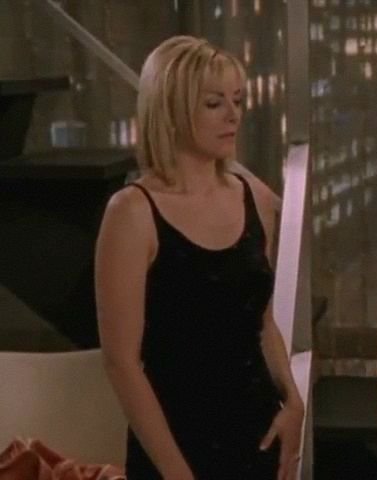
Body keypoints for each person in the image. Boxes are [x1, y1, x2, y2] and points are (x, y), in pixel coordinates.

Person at [95, 36, 304, 480]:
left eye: (238, 100)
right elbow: (121, 363)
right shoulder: (132, 213)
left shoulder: (254, 199)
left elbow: (262, 322)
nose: (233, 115)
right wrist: (177, 474)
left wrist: (294, 400)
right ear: (171, 110)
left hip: (258, 436)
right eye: (214, 103)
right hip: (176, 445)